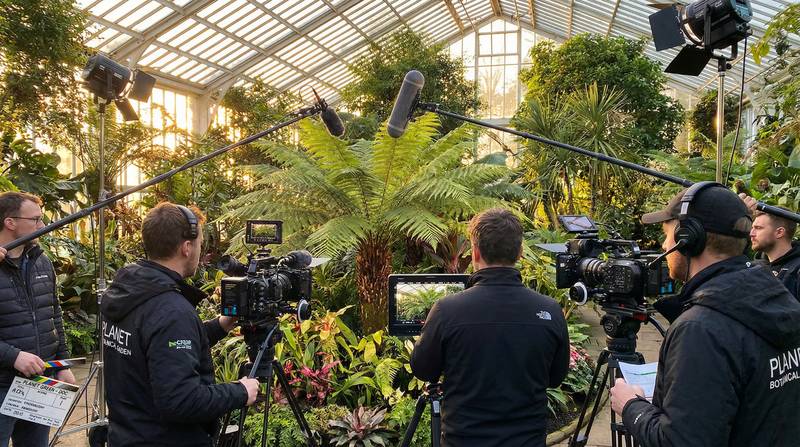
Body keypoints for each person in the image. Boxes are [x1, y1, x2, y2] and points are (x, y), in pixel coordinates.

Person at [610, 184, 800, 446]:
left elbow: (681, 441)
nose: (664, 245)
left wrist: (632, 406)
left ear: (688, 239)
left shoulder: (700, 329)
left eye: (667, 235)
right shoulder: (778, 296)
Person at [101, 202, 260, 447]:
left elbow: (155, 347)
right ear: (186, 247)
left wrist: (221, 325)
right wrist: (240, 392)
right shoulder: (171, 310)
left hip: (128, 434)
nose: (200, 250)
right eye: (200, 244)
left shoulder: (128, 291)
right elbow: (180, 400)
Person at [410, 208, 569, 446]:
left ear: (475, 252)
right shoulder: (551, 310)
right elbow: (555, 378)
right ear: (520, 252)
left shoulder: (446, 310)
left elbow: (423, 370)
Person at [0, 191, 74, 447]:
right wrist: (13, 356)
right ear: (10, 222)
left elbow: (54, 314)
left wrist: (62, 364)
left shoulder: (40, 261)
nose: (42, 225)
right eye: (35, 219)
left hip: (39, 381)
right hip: (2, 384)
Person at [739, 194, 800, 299]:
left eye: (758, 228)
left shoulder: (797, 271)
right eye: (752, 228)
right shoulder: (753, 267)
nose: (751, 233)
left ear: (779, 232)